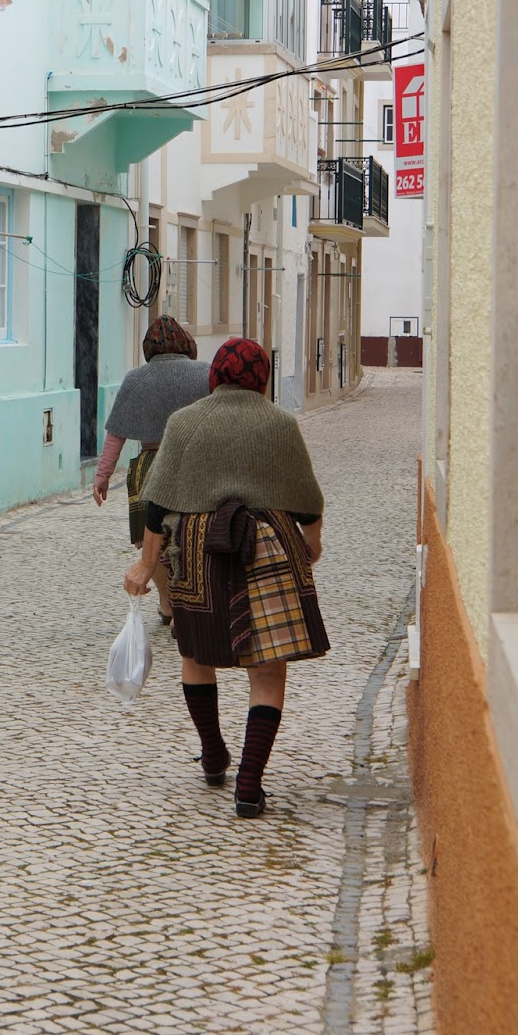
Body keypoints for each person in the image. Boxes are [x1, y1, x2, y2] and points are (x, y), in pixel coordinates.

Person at [123, 337, 328, 819]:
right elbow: (305, 502)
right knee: (268, 668)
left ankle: (213, 753)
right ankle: (249, 785)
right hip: (267, 546)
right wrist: (312, 543)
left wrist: (146, 566)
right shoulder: (279, 424)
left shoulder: (184, 422)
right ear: (262, 378)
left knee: (196, 654)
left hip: (196, 547)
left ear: (215, 376)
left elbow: (158, 505)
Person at [93, 317, 211, 624]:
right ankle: (195, 596)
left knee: (151, 539)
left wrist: (102, 476)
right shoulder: (207, 373)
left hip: (150, 467)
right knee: (194, 532)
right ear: (186, 343)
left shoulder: (136, 379)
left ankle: (167, 602)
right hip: (196, 461)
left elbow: (116, 433)